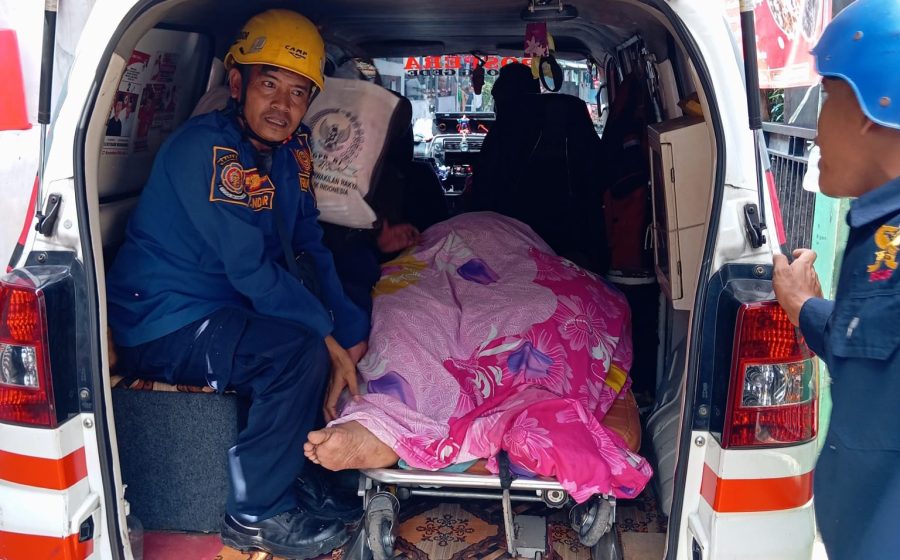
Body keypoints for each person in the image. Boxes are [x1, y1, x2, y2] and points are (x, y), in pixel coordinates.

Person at [106, 10, 369, 559]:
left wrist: (349, 329)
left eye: (298, 92)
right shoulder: (209, 150)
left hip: (224, 305)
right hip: (165, 317)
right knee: (293, 351)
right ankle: (256, 514)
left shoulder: (288, 153)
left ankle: (288, 478)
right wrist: (323, 337)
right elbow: (250, 270)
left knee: (319, 331)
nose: (282, 104)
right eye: (268, 83)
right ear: (236, 84)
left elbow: (305, 245)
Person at [772, 2, 900, 558]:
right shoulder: (881, 238)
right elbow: (871, 345)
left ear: (874, 107)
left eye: (826, 96)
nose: (816, 128)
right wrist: (804, 306)